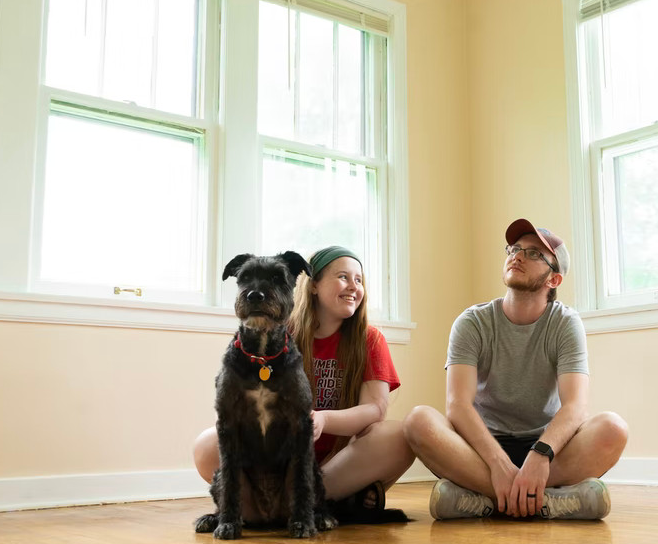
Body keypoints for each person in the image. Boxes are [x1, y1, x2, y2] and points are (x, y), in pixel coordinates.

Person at [404, 219, 628, 520]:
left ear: (554, 280)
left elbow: (576, 406)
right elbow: (458, 405)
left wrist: (541, 455)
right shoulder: (472, 322)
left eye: (534, 254)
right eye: (514, 248)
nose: (518, 256)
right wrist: (497, 461)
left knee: (613, 429)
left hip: (548, 446)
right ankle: (548, 501)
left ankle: (481, 500)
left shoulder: (565, 323)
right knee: (418, 421)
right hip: (482, 448)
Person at [193, 246, 414, 518]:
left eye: (359, 280)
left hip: (338, 461)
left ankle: (307, 500)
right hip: (277, 460)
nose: (353, 286)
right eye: (343, 277)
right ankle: (319, 504)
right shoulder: (279, 333)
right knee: (206, 445)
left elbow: (375, 410)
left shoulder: (371, 339)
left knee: (399, 437)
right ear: (313, 285)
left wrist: (323, 420)